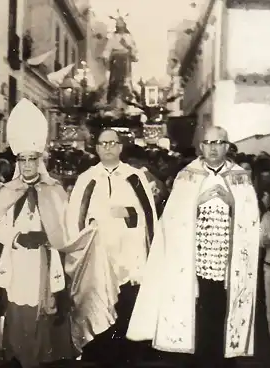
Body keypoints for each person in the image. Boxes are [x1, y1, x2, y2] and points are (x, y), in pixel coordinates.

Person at [0, 99, 81, 367]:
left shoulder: (54, 190)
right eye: (23, 159)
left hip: (44, 260)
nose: (28, 164)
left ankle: (42, 355)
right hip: (17, 259)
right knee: (17, 305)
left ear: (39, 160)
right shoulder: (7, 191)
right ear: (18, 161)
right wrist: (14, 236)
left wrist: (47, 238)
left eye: (33, 159)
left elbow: (66, 228)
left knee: (42, 306)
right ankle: (17, 355)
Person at [127, 126, 260, 368]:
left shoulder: (240, 176)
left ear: (227, 146)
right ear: (201, 147)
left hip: (228, 263)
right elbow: (172, 220)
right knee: (196, 318)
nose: (213, 147)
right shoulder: (187, 175)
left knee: (222, 314)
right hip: (194, 262)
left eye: (218, 142)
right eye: (208, 142)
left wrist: (232, 203)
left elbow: (251, 220)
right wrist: (196, 204)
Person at [65, 128, 157, 362]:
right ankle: (100, 353)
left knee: (126, 307)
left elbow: (147, 217)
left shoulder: (134, 177)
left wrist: (128, 212)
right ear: (96, 148)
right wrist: (94, 223)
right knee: (97, 305)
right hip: (98, 258)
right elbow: (75, 220)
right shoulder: (87, 178)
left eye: (112, 143)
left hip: (128, 256)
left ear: (120, 147)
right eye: (102, 143)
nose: (107, 147)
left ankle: (126, 355)